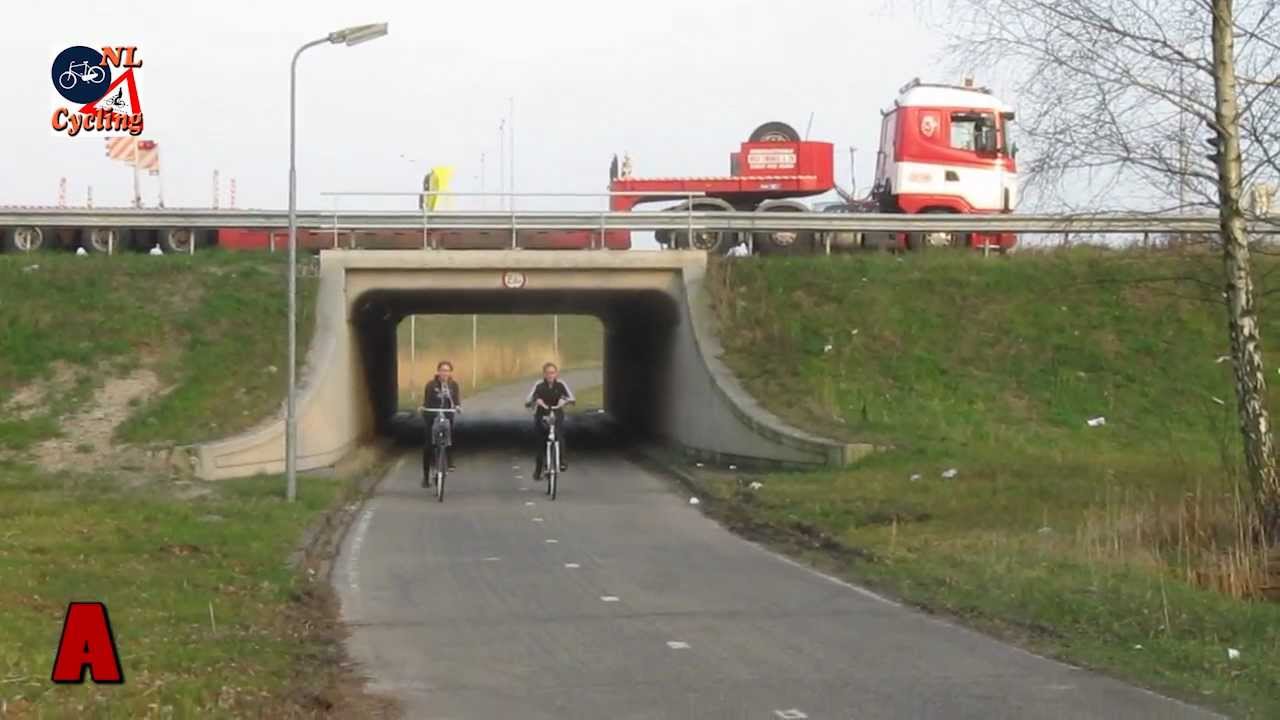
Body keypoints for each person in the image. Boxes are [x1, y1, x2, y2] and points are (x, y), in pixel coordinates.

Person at [524, 362, 574, 480]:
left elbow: (571, 397)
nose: (550, 375)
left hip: (556, 414)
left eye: (552, 373)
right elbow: (529, 399)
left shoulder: (561, 385)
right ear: (544, 374)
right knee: (541, 442)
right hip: (542, 414)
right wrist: (537, 402)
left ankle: (562, 461)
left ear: (556, 374)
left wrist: (564, 401)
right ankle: (538, 470)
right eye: (548, 373)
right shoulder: (539, 385)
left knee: (559, 435)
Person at [422, 360, 462, 486]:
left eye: (447, 371)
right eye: (442, 370)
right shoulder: (431, 385)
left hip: (447, 415)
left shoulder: (453, 385)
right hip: (433, 416)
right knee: (428, 444)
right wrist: (424, 409)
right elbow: (426, 402)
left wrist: (458, 407)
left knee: (449, 436)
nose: (445, 373)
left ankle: (449, 459)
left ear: (450, 373)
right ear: (438, 371)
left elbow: (456, 401)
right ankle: (426, 476)